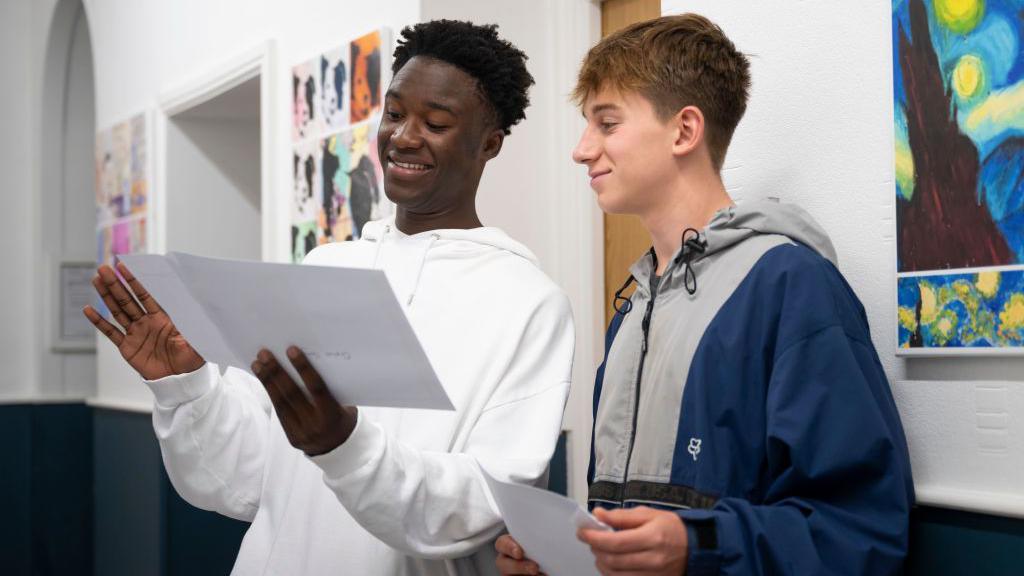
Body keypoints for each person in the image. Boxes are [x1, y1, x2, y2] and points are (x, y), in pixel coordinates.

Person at [84, 20, 574, 576]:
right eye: (393, 113)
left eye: (435, 122)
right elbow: (244, 479)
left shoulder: (526, 302)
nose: (404, 136)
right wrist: (187, 385)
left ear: (489, 143)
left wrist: (345, 447)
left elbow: (484, 502)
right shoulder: (327, 266)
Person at [496, 14, 913, 576]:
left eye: (607, 123)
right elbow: (637, 539)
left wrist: (699, 546)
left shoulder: (791, 285)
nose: (581, 149)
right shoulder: (633, 310)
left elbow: (861, 529)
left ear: (684, 131)